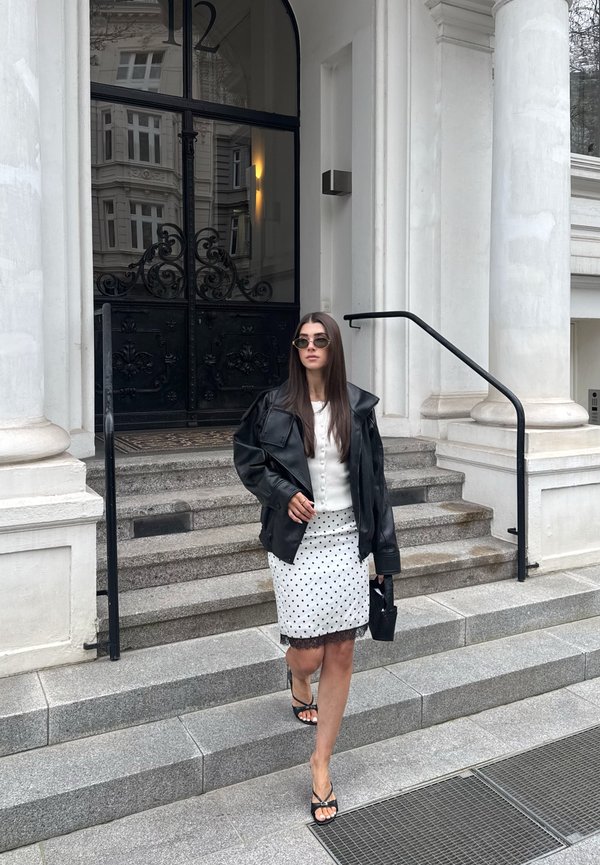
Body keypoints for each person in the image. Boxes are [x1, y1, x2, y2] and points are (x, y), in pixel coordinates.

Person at [233, 311, 400, 825]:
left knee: (344, 650)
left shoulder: (359, 407)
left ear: (332, 348)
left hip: (348, 538)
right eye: (303, 341)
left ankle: (321, 762)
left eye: (320, 341)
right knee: (308, 655)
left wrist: (385, 559)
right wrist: (283, 495)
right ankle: (297, 681)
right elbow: (247, 458)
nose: (311, 348)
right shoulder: (274, 405)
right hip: (298, 544)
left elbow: (376, 484)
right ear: (296, 348)